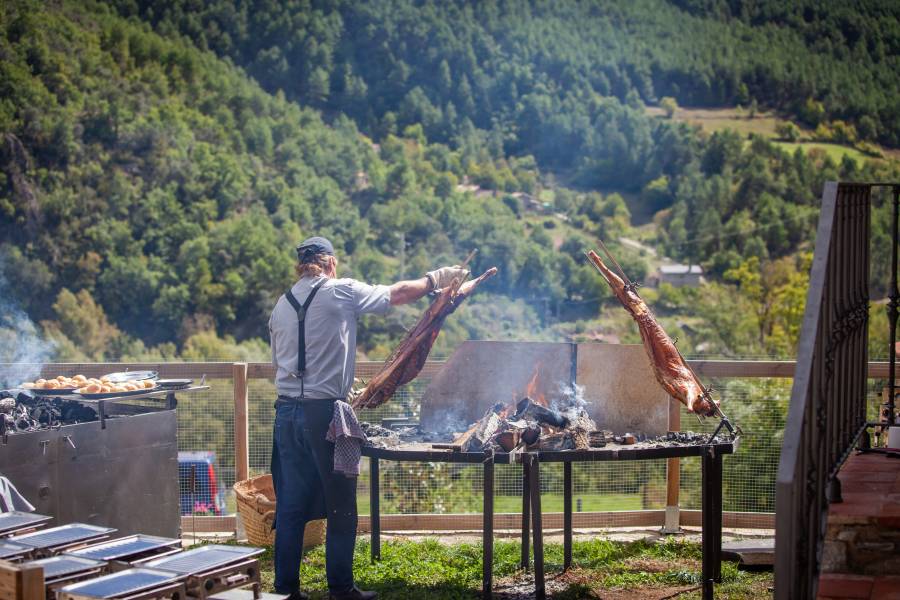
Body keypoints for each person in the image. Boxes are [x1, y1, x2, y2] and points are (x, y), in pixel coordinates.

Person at [269, 236, 467, 600]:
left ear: (301, 266)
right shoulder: (338, 291)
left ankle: (284, 590)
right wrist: (436, 279)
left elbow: (279, 361)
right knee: (341, 504)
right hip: (324, 414)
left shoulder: (281, 305)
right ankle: (341, 589)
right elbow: (395, 294)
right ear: (330, 263)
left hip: (285, 413)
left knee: (292, 505)